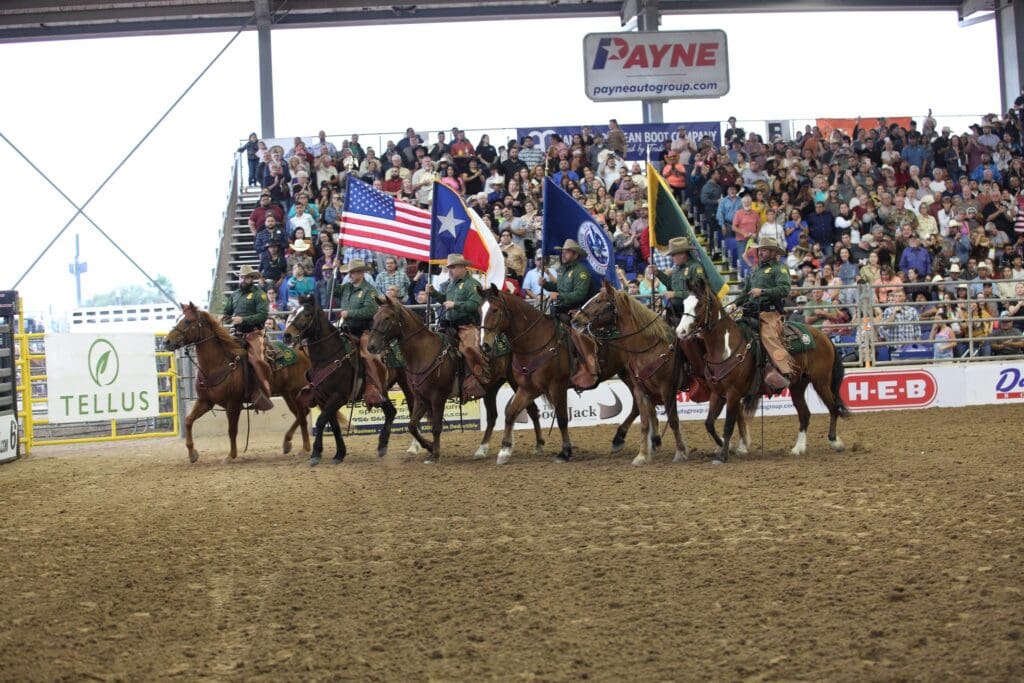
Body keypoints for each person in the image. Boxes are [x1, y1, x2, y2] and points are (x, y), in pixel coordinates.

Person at [726, 235, 794, 393]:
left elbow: (784, 289)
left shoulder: (780, 268)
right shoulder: (755, 271)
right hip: (750, 312)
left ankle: (785, 371)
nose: (760, 252)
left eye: (764, 250)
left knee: (768, 336)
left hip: (769, 313)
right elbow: (745, 292)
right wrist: (735, 304)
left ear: (772, 252)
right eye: (760, 250)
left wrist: (762, 291)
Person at [542, 239, 600, 388]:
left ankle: (585, 364)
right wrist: (546, 285)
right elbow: (560, 287)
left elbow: (580, 294)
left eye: (566, 251)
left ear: (575, 254)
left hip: (579, 309)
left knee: (577, 334)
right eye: (562, 251)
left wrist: (559, 296)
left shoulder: (581, 272)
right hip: (561, 308)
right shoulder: (562, 270)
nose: (563, 254)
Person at [330, 259, 388, 406]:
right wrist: (333, 271)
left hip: (364, 330)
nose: (350, 275)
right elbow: (330, 289)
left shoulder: (370, 290)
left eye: (354, 272)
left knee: (368, 356)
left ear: (361, 273)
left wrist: (349, 313)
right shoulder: (346, 287)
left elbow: (371, 311)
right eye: (349, 272)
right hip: (346, 329)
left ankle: (374, 389)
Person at [427, 254, 484, 401]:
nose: (450, 271)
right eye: (449, 268)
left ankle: (474, 381)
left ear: (462, 267)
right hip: (448, 326)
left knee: (470, 348)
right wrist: (434, 293)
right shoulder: (451, 284)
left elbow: (474, 304)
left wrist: (456, 305)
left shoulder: (473, 284)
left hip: (466, 325)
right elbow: (445, 300)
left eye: (453, 267)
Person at [220, 265, 274, 411]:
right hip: (237, 334)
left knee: (257, 360)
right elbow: (227, 311)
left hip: (254, 333)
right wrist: (222, 317)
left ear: (252, 279)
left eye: (247, 277)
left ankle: (262, 393)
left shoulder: (259, 294)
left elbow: (262, 315)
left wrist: (243, 320)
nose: (243, 279)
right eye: (242, 277)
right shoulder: (235, 295)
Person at [655, 237, 703, 322]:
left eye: (674, 255)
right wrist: (657, 273)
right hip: (676, 312)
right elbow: (670, 284)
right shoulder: (677, 268)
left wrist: (675, 294)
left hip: (691, 313)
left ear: (683, 254)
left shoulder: (695, 268)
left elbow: (699, 292)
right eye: (672, 255)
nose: (672, 258)